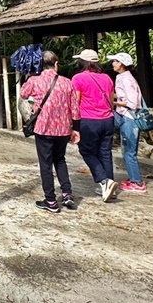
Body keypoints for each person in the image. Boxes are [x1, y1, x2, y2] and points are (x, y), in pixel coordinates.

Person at [21, 51, 81, 213]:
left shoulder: (35, 80)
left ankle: (51, 201)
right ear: (55, 64)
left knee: (46, 164)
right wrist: (76, 129)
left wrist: (31, 76)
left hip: (43, 128)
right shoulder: (67, 82)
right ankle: (67, 194)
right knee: (60, 160)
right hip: (63, 129)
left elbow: (23, 94)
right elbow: (75, 108)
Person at [71, 49, 118, 202]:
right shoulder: (107, 78)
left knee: (87, 152)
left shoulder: (78, 78)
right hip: (108, 119)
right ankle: (109, 187)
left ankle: (105, 181)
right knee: (105, 152)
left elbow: (75, 102)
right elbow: (111, 101)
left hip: (88, 120)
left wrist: (72, 123)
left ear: (82, 62)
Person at [108, 52, 146, 193]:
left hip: (129, 118)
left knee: (129, 152)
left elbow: (132, 103)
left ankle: (137, 182)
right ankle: (133, 178)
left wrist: (113, 102)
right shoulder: (123, 77)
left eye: (116, 61)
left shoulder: (126, 79)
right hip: (126, 116)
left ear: (122, 64)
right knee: (127, 151)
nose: (113, 64)